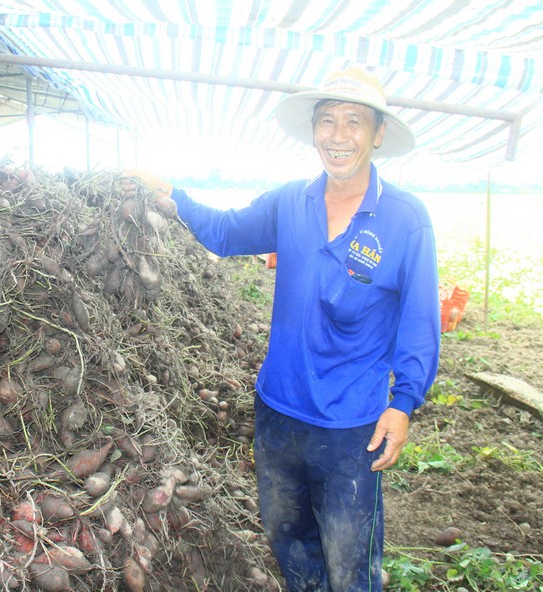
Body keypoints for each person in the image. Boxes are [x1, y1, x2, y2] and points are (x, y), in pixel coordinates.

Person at [125, 68, 441, 591]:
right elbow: (226, 233)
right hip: (278, 413)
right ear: (314, 131)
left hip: (351, 427)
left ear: (378, 134)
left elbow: (420, 322)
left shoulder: (406, 219)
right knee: (289, 541)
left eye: (355, 122)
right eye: (327, 121)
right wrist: (173, 194)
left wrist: (403, 402)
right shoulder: (291, 201)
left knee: (350, 560)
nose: (339, 136)